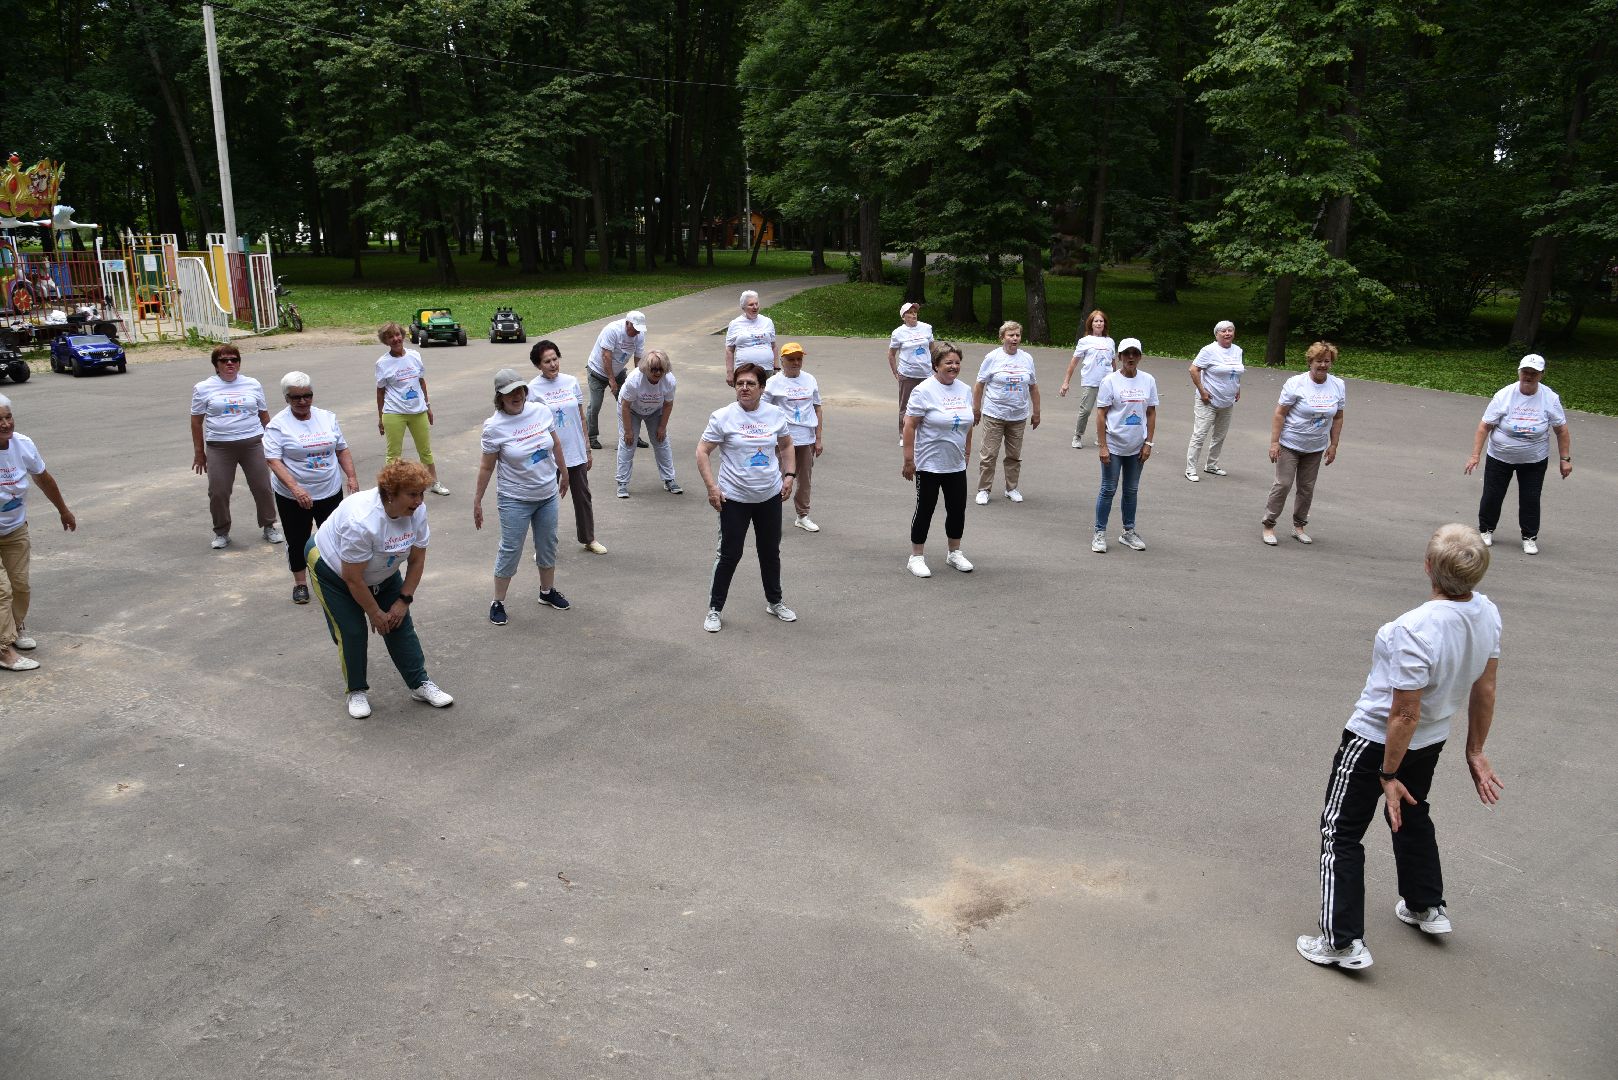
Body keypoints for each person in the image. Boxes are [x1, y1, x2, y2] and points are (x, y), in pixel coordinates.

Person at [1297, 523, 1503, 971]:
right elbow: (1485, 689)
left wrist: (1387, 773)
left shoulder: (1412, 628)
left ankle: (1340, 942)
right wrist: (1475, 749)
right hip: (1429, 741)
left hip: (1376, 741)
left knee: (1340, 832)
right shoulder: (1487, 613)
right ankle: (1425, 906)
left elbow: (1404, 714)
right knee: (1411, 812)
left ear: (1428, 567)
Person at [307, 460, 453, 719]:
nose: (419, 501)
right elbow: (353, 578)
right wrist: (374, 612)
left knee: (399, 623)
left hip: (382, 571)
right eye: (412, 494)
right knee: (352, 630)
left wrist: (403, 601)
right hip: (333, 572)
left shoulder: (417, 511)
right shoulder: (362, 521)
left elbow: (417, 560)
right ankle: (356, 690)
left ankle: (419, 683)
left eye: (421, 493)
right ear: (390, 493)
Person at [695, 362, 798, 632]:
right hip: (734, 499)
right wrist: (712, 488)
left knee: (770, 552)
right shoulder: (723, 417)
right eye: (740, 383)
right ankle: (715, 609)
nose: (744, 388)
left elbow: (786, 444)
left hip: (769, 497)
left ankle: (775, 601)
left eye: (751, 383)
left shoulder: (774, 414)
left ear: (762, 388)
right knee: (729, 554)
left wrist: (789, 475)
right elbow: (702, 451)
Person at [474, 369, 573, 625]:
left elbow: (556, 444)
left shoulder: (540, 411)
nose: (516, 395)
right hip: (514, 498)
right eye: (510, 392)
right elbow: (486, 467)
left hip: (547, 494)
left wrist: (564, 473)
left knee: (548, 543)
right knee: (510, 548)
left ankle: (546, 591)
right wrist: (477, 500)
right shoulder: (494, 427)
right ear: (500, 397)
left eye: (520, 390)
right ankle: (498, 601)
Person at [264, 371, 360, 605]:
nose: (302, 401)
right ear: (286, 398)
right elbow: (273, 460)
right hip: (294, 495)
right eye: (296, 397)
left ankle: (340, 579)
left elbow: (341, 449)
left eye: (307, 395)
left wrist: (351, 477)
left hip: (329, 489)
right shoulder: (278, 425)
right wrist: (295, 488)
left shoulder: (326, 417)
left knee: (336, 537)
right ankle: (300, 584)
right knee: (297, 539)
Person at [1464, 354, 1571, 555]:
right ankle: (1486, 530)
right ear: (1519, 372)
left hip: (1534, 459)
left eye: (1534, 373)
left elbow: (1561, 430)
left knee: (1531, 498)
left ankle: (1529, 537)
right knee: (1492, 494)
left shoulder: (1550, 398)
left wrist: (1565, 459)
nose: (1528, 376)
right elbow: (1484, 426)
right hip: (1500, 456)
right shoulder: (1504, 395)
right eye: (1525, 372)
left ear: (1541, 375)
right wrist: (1475, 455)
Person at [0, 393, 77, 672]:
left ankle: (15, 627)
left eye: (8, 417)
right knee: (1, 591)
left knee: (20, 585)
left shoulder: (23, 444)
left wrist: (63, 510)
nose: (6, 424)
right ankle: (3, 650)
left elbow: (43, 479)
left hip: (14, 528)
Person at [190, 343, 284, 549]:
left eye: (234, 360)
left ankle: (269, 525)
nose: (230, 363)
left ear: (239, 363)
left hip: (253, 444)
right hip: (219, 447)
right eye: (224, 360)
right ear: (216, 365)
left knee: (263, 487)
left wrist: (274, 444)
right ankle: (221, 532)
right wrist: (199, 453)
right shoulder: (203, 388)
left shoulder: (252, 384)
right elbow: (196, 422)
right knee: (218, 491)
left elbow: (264, 416)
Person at [903, 343, 975, 578]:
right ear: (936, 365)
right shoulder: (923, 390)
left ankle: (954, 552)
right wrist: (909, 460)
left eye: (957, 362)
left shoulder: (965, 389)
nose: (954, 367)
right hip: (929, 463)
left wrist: (967, 451)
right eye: (948, 363)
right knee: (925, 509)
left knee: (957, 509)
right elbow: (909, 425)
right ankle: (916, 557)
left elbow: (969, 422)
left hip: (955, 463)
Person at [1263, 341, 1346, 546]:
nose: (1323, 365)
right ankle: (1269, 524)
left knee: (1306, 488)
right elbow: (1280, 413)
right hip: (1290, 444)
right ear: (1310, 362)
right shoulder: (1296, 383)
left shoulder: (1338, 385)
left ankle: (1299, 526)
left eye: (1327, 361)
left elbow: (1338, 417)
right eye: (1319, 361)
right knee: (1283, 484)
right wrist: (1274, 442)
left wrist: (1333, 445)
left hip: (1315, 447)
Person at [529, 340, 606, 554]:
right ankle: (543, 546)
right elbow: (531, 424)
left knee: (583, 498)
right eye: (547, 362)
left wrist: (587, 448)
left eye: (555, 359)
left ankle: (589, 539)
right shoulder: (532, 389)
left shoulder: (571, 382)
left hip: (575, 451)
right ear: (538, 365)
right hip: (549, 455)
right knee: (546, 502)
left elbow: (581, 417)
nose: (553, 364)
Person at [1091, 337, 1157, 553]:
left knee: (1131, 490)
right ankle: (1100, 532)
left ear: (1140, 357)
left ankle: (1128, 532)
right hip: (1114, 444)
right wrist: (1103, 446)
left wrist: (1148, 442)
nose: (1130, 357)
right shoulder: (1110, 381)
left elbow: (1151, 412)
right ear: (1119, 357)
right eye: (1126, 353)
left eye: (1135, 353)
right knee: (1108, 489)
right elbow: (1101, 414)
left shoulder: (1148, 380)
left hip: (1137, 446)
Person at [374, 322, 449, 496]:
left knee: (425, 451)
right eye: (390, 337)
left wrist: (428, 406)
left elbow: (421, 382)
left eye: (397, 335)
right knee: (393, 454)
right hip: (394, 412)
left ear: (402, 335)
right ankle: (390, 489)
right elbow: (380, 391)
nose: (395, 339)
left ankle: (433, 482)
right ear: (386, 341)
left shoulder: (415, 355)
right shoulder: (382, 363)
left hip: (418, 411)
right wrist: (380, 417)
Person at [973, 321, 1040, 504]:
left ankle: (1011, 488)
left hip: (1018, 416)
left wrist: (1036, 412)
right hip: (994, 414)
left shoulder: (1027, 359)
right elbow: (979, 385)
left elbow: (1033, 386)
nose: (1015, 338)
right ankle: (984, 490)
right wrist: (976, 409)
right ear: (1002, 337)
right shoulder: (992, 357)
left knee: (1014, 456)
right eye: (1011, 335)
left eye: (1017, 335)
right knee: (989, 455)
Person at [764, 342, 824, 533]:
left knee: (804, 479)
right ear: (782, 361)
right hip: (783, 439)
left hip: (806, 437)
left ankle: (803, 515)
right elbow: (763, 409)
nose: (796, 362)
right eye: (791, 359)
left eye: (799, 359)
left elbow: (817, 408)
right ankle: (770, 514)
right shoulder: (774, 383)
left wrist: (818, 438)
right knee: (778, 477)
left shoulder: (810, 379)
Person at [615, 348, 682, 498]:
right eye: (653, 369)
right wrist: (628, 431)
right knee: (628, 443)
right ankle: (622, 483)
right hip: (631, 410)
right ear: (646, 368)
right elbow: (625, 406)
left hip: (655, 410)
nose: (657, 373)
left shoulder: (669, 381)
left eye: (661, 369)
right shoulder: (634, 380)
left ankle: (669, 479)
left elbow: (668, 404)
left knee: (661, 441)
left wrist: (662, 427)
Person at [1185, 319, 1244, 481]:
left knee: (1220, 435)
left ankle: (1211, 465)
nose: (1227, 333)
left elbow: (1236, 371)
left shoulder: (1237, 350)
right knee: (1200, 435)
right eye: (1223, 331)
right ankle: (1190, 469)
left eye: (1230, 330)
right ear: (1216, 334)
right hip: (1208, 401)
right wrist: (1202, 391)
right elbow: (1193, 370)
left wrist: (1237, 388)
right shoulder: (1209, 350)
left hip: (1227, 401)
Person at [586, 311, 648, 449]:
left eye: (640, 329)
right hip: (597, 371)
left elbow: (638, 358)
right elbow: (606, 356)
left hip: (618, 372)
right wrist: (611, 380)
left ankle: (633, 435)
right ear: (627, 323)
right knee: (595, 405)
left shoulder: (639, 335)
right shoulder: (613, 330)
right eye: (635, 328)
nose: (637, 332)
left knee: (629, 403)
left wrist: (639, 380)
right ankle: (591, 437)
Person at [1060, 309, 1115, 449]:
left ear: (1104, 324)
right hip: (1090, 381)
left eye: (1101, 321)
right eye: (1096, 321)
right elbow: (1073, 363)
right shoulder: (1084, 341)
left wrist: (1117, 380)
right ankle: (1077, 436)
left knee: (1105, 411)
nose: (1099, 323)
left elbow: (1113, 363)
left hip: (1107, 382)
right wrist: (1066, 382)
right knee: (1085, 410)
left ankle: (1101, 437)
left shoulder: (1110, 342)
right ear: (1091, 323)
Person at [888, 302, 934, 444]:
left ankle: (925, 434)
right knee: (906, 405)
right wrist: (896, 372)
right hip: (907, 374)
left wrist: (936, 367)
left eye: (915, 312)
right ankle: (904, 435)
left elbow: (933, 349)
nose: (914, 314)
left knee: (927, 405)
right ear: (903, 317)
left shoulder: (926, 328)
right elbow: (891, 354)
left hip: (926, 374)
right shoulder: (898, 333)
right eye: (910, 312)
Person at [724, 290, 778, 385]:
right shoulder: (735, 324)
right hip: (744, 370)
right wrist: (730, 373)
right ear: (743, 307)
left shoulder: (767, 322)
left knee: (767, 394)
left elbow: (773, 346)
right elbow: (729, 350)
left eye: (756, 304)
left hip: (767, 370)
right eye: (751, 305)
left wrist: (776, 368)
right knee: (747, 394)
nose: (755, 307)